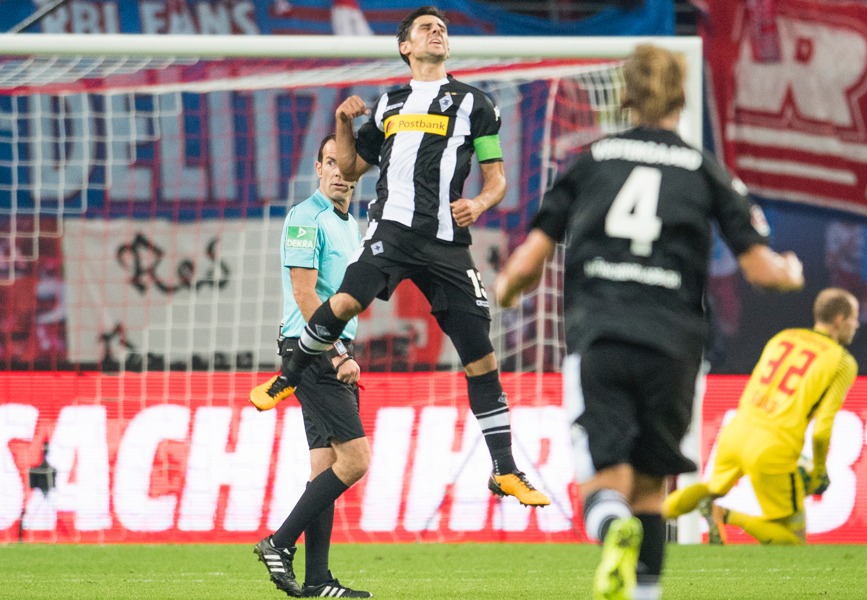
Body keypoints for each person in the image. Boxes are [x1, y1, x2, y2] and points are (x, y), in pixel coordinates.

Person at [494, 44, 804, 600]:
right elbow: (762, 269)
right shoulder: (706, 170)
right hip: (675, 346)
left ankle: (613, 532)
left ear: (627, 96)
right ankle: (644, 591)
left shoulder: (590, 161)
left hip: (602, 336)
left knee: (603, 484)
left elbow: (526, 261)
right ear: (681, 95)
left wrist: (508, 289)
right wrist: (791, 271)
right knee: (652, 489)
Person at [251, 5, 550, 508]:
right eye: (426, 28)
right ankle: (291, 373)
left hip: (447, 243)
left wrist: (477, 202)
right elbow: (350, 166)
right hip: (392, 229)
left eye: (443, 28)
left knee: (481, 357)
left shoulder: (476, 103)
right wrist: (345, 123)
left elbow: (496, 178)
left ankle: (505, 469)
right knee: (345, 301)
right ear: (405, 47)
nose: (438, 32)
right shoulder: (389, 103)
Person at [253, 134, 372, 598]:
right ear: (318, 169)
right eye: (331, 163)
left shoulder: (350, 224)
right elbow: (305, 296)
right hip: (312, 350)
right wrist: (337, 353)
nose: (340, 171)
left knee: (326, 466)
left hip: (329, 347)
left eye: (346, 164)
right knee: (357, 460)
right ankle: (279, 543)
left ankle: (319, 579)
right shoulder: (306, 218)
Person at [663, 288, 859, 546]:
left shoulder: (783, 338)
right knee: (792, 540)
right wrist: (820, 472)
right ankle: (726, 515)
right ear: (839, 319)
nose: (856, 325)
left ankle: (642, 518)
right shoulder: (842, 362)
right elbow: (822, 430)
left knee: (713, 487)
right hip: (773, 446)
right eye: (854, 319)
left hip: (737, 429)